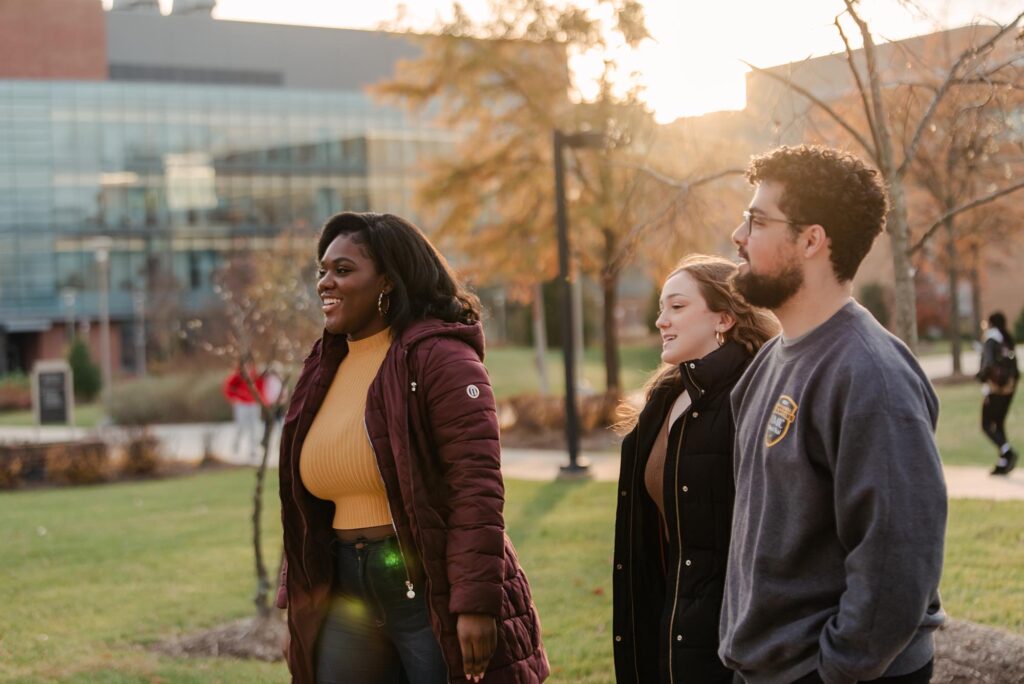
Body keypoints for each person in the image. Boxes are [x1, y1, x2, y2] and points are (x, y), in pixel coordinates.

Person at [275, 211, 549, 684]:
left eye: (343, 270)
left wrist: (475, 605)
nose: (325, 283)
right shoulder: (323, 365)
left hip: (427, 586)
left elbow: (476, 488)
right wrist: (297, 601)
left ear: (387, 280)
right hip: (345, 585)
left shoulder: (442, 359)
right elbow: (299, 503)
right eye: (322, 270)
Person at [719, 145, 947, 684]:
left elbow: (898, 557)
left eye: (756, 219)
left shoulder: (871, 375)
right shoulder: (768, 364)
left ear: (811, 240)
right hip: (770, 668)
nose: (738, 235)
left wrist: (836, 671)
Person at [612, 255, 778, 684]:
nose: (661, 321)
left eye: (677, 307)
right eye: (661, 308)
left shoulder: (752, 398)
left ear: (723, 317)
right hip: (668, 618)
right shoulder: (666, 398)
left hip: (728, 639)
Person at [977, 311, 1019, 475]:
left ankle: (1008, 452)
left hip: (994, 389)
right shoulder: (1006, 338)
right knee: (999, 423)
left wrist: (980, 377)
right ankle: (1004, 461)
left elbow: (988, 364)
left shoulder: (990, 339)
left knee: (986, 424)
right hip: (1009, 388)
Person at [223, 363, 263, 462]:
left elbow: (261, 387)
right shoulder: (238, 376)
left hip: (253, 404)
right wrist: (233, 398)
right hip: (241, 405)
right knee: (240, 426)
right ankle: (235, 446)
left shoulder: (256, 375)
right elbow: (228, 387)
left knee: (254, 427)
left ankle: (253, 450)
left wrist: (260, 399)